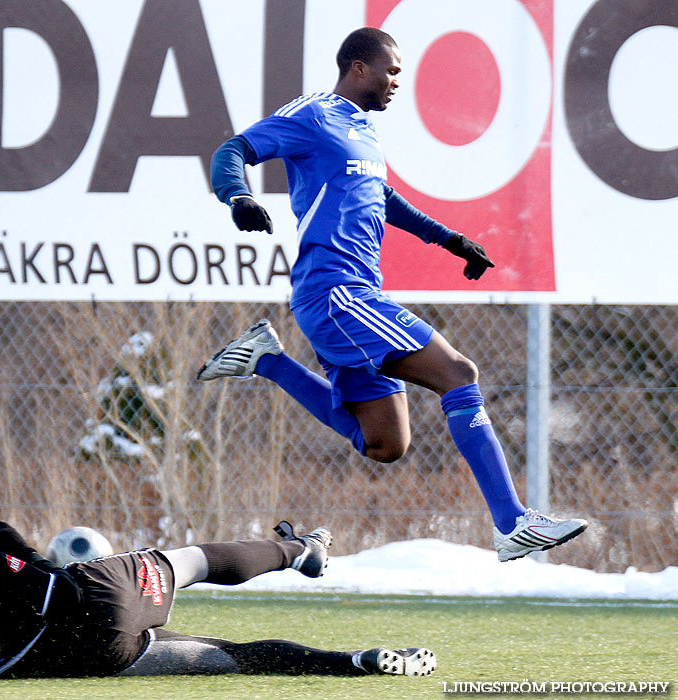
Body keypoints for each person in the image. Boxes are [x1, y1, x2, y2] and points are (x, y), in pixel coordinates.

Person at [200, 27, 587, 563]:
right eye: (392, 70)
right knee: (458, 373)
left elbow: (381, 198)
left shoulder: (362, 130)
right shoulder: (313, 114)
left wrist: (449, 240)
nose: (397, 82)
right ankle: (513, 523)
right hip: (338, 294)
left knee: (385, 444)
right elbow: (233, 149)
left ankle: (268, 361)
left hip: (347, 297)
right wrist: (238, 196)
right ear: (359, 67)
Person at [0, 501, 436, 679]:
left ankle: (351, 664)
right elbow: (41, 579)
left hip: (83, 657)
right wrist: (15, 547)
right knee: (196, 559)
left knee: (226, 656)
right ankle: (301, 550)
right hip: (94, 603)